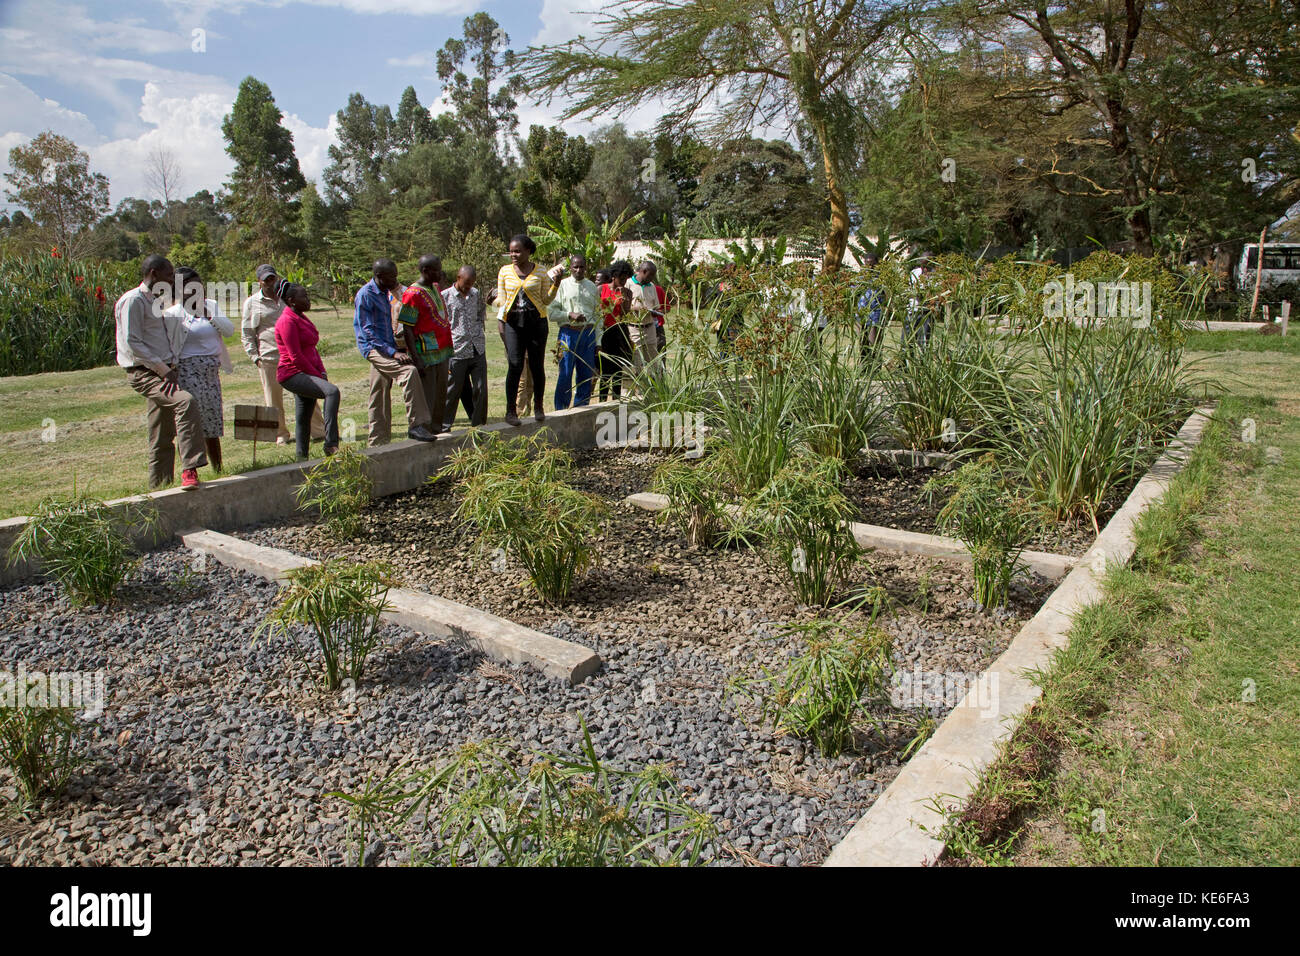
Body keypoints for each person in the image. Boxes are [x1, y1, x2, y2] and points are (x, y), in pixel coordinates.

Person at [114, 254, 208, 489]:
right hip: (145, 372)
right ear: (153, 273)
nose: (171, 279)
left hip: (162, 370)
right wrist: (164, 370)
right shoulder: (133, 301)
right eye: (168, 275)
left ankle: (159, 486)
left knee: (161, 434)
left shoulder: (155, 300)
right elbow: (133, 342)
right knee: (186, 402)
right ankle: (190, 469)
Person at [354, 258, 439, 444]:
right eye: (392, 277)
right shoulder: (366, 295)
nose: (395, 280)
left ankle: (377, 441)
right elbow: (367, 332)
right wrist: (393, 353)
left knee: (378, 391)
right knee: (409, 372)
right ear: (379, 276)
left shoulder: (385, 291)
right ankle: (417, 425)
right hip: (374, 348)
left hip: (386, 345)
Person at [241, 263, 323, 446]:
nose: (271, 282)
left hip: (295, 355)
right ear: (259, 282)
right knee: (273, 398)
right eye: (266, 280)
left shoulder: (287, 298)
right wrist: (255, 357)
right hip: (269, 356)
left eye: (273, 278)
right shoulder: (252, 303)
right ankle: (280, 434)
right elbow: (247, 333)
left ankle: (318, 431)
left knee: (308, 393)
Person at [164, 266, 233, 472]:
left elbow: (229, 330)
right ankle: (191, 468)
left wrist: (208, 314)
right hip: (188, 371)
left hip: (210, 372)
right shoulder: (173, 313)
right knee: (192, 422)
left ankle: (218, 468)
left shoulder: (210, 305)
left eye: (199, 283)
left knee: (212, 422)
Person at [496, 234, 562, 426]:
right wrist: (493, 302)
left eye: (517, 251)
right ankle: (511, 411)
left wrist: (556, 284)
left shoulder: (540, 271)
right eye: (511, 251)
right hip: (513, 325)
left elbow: (546, 300)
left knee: (536, 366)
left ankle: (539, 406)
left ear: (528, 251)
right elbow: (502, 300)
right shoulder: (504, 272)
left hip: (536, 324)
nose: (513, 255)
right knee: (515, 365)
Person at [275, 282, 340, 460]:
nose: (308, 300)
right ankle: (331, 443)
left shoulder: (300, 317)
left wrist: (322, 371)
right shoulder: (287, 321)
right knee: (332, 392)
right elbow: (295, 356)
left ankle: (301, 458)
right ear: (291, 301)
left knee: (304, 416)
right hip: (291, 373)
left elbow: (311, 348)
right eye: (304, 297)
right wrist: (317, 376)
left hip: (307, 371)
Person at [398, 255, 454, 434]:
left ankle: (437, 429)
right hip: (426, 353)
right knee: (427, 396)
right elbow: (407, 328)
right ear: (425, 271)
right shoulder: (412, 294)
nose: (440, 273)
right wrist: (416, 358)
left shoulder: (435, 287)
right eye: (436, 270)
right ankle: (425, 430)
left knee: (440, 394)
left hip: (442, 351)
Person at [549, 254, 600, 409]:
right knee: (565, 373)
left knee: (585, 375)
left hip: (588, 335)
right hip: (567, 334)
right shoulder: (562, 286)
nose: (578, 270)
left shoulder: (592, 287)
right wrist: (568, 315)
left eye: (581, 267)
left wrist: (598, 341)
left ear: (586, 268)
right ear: (570, 268)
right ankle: (561, 411)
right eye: (575, 267)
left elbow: (598, 316)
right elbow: (551, 314)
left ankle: (581, 408)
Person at [442, 265, 488, 428]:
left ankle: (479, 424)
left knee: (481, 389)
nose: (468, 287)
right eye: (466, 283)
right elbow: (443, 323)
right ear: (458, 278)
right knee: (452, 390)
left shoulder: (475, 294)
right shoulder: (445, 296)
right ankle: (445, 425)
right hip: (457, 350)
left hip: (477, 347)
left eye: (471, 283)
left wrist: (478, 330)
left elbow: (481, 312)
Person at [625, 260, 668, 382]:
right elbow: (623, 306)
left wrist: (657, 311)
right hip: (634, 328)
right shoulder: (628, 284)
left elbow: (656, 305)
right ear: (643, 272)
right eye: (651, 275)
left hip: (650, 327)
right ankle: (632, 392)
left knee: (653, 360)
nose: (652, 278)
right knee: (635, 361)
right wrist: (637, 309)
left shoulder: (652, 286)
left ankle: (654, 390)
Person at [597, 263, 633, 402]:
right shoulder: (601, 289)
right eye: (621, 278)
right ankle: (602, 400)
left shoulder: (627, 292)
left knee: (618, 369)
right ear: (614, 276)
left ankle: (616, 400)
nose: (623, 281)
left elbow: (625, 315)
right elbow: (598, 310)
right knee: (605, 370)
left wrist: (624, 300)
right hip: (605, 331)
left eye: (625, 279)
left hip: (620, 331)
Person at [857, 252, 885, 357]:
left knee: (874, 342)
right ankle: (863, 368)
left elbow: (887, 295)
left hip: (875, 314)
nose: (870, 267)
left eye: (872, 264)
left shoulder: (881, 278)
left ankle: (875, 366)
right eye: (867, 264)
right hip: (862, 313)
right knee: (862, 342)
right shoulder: (861, 278)